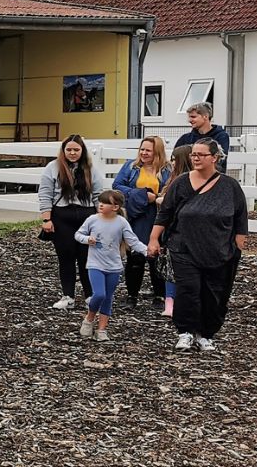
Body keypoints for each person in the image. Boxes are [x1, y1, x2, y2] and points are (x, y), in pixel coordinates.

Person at [150, 139, 248, 353]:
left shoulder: (230, 186)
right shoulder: (181, 183)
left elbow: (240, 215)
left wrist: (239, 242)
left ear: (214, 158)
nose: (195, 158)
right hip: (183, 247)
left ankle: (205, 334)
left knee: (214, 294)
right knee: (188, 290)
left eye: (201, 155)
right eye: (193, 154)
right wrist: (154, 239)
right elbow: (165, 213)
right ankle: (185, 332)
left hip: (219, 249)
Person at [38, 135, 106, 310]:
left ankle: (90, 296)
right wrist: (47, 219)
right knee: (66, 257)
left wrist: (102, 219)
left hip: (86, 216)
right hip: (62, 216)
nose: (72, 153)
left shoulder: (90, 169)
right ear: (63, 151)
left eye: (76, 149)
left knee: (87, 258)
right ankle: (68, 296)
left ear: (82, 151)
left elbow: (98, 195)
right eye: (69, 149)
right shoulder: (52, 168)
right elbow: (45, 193)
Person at [74, 190, 149, 342]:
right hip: (95, 264)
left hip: (114, 266)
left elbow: (132, 241)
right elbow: (78, 234)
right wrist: (87, 239)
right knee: (99, 294)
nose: (101, 205)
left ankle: (102, 329)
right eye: (100, 202)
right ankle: (89, 319)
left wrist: (147, 251)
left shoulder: (121, 222)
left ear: (115, 207)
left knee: (108, 297)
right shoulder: (92, 219)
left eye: (106, 203)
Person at [112, 135, 171, 309]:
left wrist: (157, 197)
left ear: (157, 152)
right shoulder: (131, 167)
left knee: (157, 256)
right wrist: (142, 195)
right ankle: (132, 295)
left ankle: (160, 295)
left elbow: (171, 189)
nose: (144, 153)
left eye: (148, 150)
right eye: (142, 149)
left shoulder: (167, 169)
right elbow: (117, 185)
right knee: (135, 255)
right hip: (136, 215)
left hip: (158, 214)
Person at [158, 145, 194, 318]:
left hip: (181, 230)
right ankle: (170, 302)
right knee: (170, 267)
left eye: (174, 159)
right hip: (170, 229)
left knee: (177, 267)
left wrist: (161, 200)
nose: (171, 162)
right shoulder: (172, 178)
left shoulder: (185, 181)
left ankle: (175, 302)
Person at [175, 102, 231, 168]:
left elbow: (220, 160)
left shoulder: (221, 136)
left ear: (206, 117)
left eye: (193, 117)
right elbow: (175, 159)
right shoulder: (185, 138)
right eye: (189, 117)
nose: (189, 120)